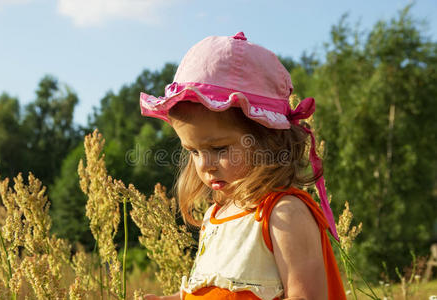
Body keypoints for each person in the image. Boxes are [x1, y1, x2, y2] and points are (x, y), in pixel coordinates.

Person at [139, 32, 346, 300]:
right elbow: (214, 290)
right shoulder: (215, 216)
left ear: (267, 140)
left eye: (219, 149)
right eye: (193, 151)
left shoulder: (284, 214)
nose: (205, 165)